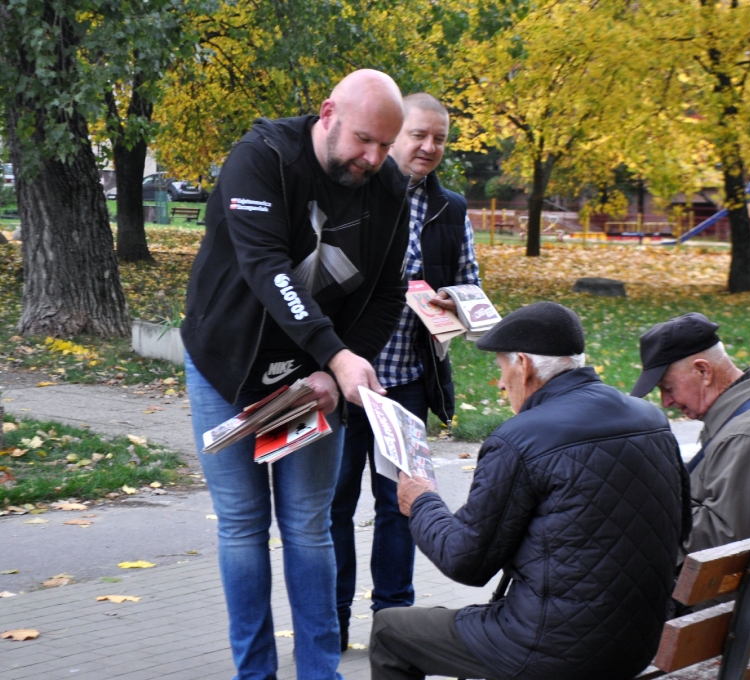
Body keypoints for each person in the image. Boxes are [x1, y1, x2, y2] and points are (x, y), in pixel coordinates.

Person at [180, 69, 410, 680]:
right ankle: (254, 673)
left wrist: (335, 368)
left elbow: (389, 294)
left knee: (308, 526)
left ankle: (319, 672)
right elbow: (267, 267)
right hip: (227, 364)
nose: (374, 158)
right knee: (243, 525)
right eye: (364, 139)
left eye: (386, 145)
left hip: (313, 381)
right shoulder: (262, 159)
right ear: (328, 113)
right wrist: (336, 355)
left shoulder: (388, 185)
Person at [369, 302, 689, 680]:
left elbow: (465, 562)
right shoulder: (651, 419)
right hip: (639, 641)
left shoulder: (520, 438)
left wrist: (421, 502)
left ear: (523, 364)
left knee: (390, 631)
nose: (501, 383)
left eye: (501, 368)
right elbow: (681, 526)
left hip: (554, 650)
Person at [329, 93, 480, 649]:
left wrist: (453, 302)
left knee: (402, 506)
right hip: (345, 384)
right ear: (395, 136)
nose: (429, 147)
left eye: (439, 139)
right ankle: (331, 624)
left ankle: (393, 628)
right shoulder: (354, 192)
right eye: (419, 135)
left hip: (407, 384)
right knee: (334, 505)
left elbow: (472, 288)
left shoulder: (450, 209)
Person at [630, 312, 750, 557]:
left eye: (669, 388)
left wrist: (645, 511)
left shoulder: (749, 434)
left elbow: (719, 543)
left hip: (735, 581)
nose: (666, 402)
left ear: (703, 371)